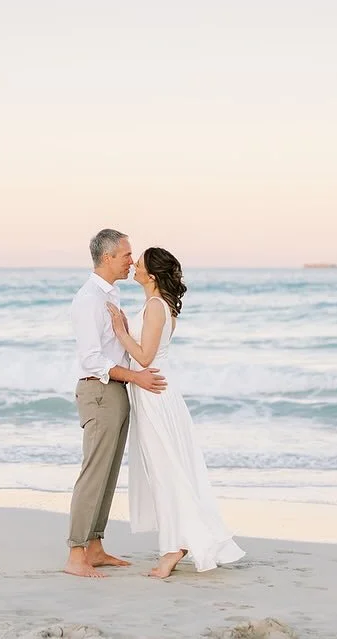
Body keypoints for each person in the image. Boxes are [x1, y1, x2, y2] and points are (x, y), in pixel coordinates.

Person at [106, 246, 245, 578]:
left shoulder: (156, 306)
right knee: (165, 470)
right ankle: (177, 542)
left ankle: (174, 548)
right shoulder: (156, 305)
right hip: (151, 393)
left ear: (152, 276)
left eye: (139, 264)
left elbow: (144, 357)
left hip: (155, 396)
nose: (134, 266)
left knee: (166, 470)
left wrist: (120, 331)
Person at [64, 229, 168, 578]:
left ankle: (94, 546)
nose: (131, 261)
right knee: (94, 472)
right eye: (126, 255)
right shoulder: (89, 299)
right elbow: (92, 359)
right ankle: (76, 554)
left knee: (108, 473)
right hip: (99, 390)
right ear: (107, 257)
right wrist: (136, 376)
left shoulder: (111, 294)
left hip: (116, 390)